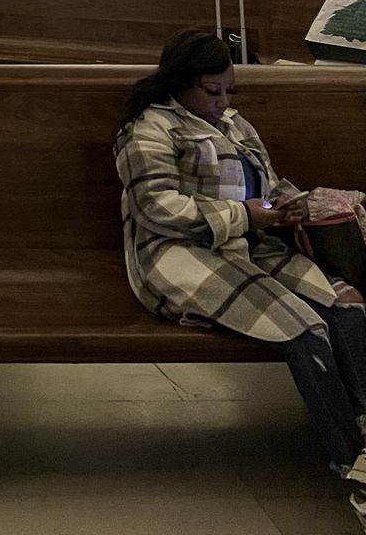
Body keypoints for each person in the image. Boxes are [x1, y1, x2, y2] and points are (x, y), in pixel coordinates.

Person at [115, 30, 366, 526]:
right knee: (303, 329)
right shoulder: (149, 130)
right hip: (179, 253)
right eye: (213, 92)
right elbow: (156, 208)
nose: (224, 102)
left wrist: (292, 204)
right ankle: (350, 466)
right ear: (181, 84)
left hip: (254, 244)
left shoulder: (233, 123)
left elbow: (269, 184)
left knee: (348, 305)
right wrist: (246, 215)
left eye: (230, 91)